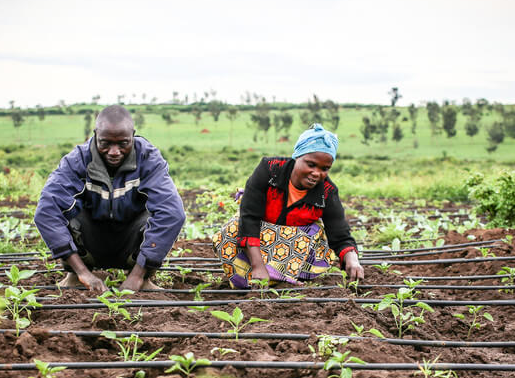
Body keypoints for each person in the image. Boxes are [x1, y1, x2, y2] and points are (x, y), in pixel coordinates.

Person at [34, 105, 185, 293]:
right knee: (63, 212)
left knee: (160, 214)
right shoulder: (78, 160)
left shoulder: (148, 159)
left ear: (133, 136)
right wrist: (82, 272)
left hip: (131, 244)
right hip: (89, 243)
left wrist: (137, 276)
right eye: (105, 143)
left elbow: (173, 213)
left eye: (123, 143)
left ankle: (143, 278)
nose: (114, 151)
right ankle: (75, 276)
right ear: (96, 135)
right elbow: (46, 211)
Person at [212, 123, 364, 288]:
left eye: (325, 168)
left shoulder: (327, 191)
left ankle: (281, 279)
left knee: (314, 233)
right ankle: (255, 276)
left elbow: (339, 232)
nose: (316, 173)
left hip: (294, 251)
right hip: (257, 240)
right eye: (311, 164)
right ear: (297, 156)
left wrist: (352, 259)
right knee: (232, 229)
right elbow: (249, 217)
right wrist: (258, 266)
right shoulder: (269, 170)